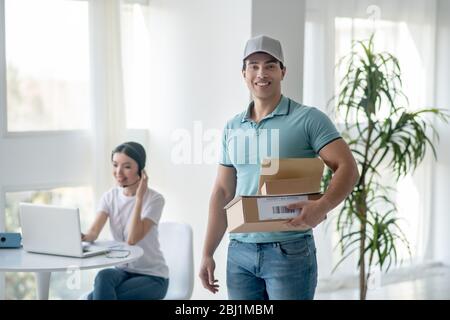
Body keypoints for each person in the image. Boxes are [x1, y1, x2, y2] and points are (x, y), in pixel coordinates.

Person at [199, 35, 359, 300]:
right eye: (254, 65)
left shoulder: (309, 119)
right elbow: (223, 191)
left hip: (290, 250)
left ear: (283, 71)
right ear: (244, 73)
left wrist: (322, 206)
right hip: (239, 251)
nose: (261, 73)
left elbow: (347, 168)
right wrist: (207, 252)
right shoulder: (233, 127)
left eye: (270, 65)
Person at [82, 141, 169, 300]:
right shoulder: (110, 197)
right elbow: (93, 232)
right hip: (122, 271)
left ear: (141, 170)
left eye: (127, 167)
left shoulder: (155, 199)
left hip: (153, 277)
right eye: (115, 165)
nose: (118, 172)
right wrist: (81, 236)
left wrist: (139, 197)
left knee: (93, 298)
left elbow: (132, 239)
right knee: (103, 276)